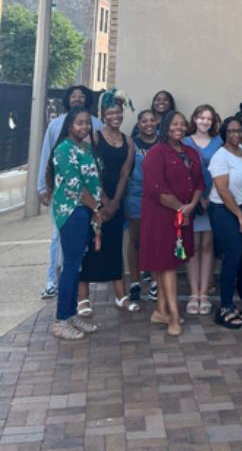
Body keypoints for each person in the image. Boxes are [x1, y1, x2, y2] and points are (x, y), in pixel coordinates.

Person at [140, 110, 204, 336]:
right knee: (165, 264)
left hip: (183, 214)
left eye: (182, 124)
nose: (179, 127)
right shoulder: (156, 153)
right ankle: (174, 316)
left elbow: (199, 183)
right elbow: (155, 187)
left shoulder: (190, 152)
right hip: (161, 215)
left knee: (168, 263)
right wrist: (180, 208)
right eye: (174, 124)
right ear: (166, 127)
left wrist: (190, 206)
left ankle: (160, 310)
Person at [37, 84, 102, 299]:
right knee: (62, 248)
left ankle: (75, 305)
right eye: (73, 96)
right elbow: (48, 158)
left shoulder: (94, 130)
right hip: (69, 206)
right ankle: (53, 284)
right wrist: (42, 187)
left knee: (77, 259)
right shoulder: (61, 139)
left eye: (81, 96)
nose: (77, 99)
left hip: (87, 206)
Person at [46, 109, 104, 340]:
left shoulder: (85, 148)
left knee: (77, 265)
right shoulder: (64, 149)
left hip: (85, 211)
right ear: (70, 124)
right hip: (72, 212)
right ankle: (61, 321)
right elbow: (74, 186)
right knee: (71, 265)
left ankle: (70, 315)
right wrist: (97, 209)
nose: (84, 127)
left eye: (87, 123)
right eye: (80, 123)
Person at [78, 90, 136, 316]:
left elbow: (124, 173)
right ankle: (83, 298)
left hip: (116, 200)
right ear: (102, 114)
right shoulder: (93, 138)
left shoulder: (128, 142)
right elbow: (90, 172)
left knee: (113, 246)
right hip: (93, 200)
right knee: (89, 247)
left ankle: (121, 295)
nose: (115, 116)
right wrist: (103, 203)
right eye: (110, 112)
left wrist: (115, 202)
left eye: (118, 112)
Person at [209, 116, 242, 329]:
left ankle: (230, 302)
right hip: (224, 211)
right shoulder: (220, 156)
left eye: (239, 130)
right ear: (224, 133)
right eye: (231, 131)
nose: (235, 134)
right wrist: (240, 215)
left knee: (238, 259)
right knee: (233, 256)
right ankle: (224, 308)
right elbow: (222, 190)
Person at [184, 104, 222, 316]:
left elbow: (222, 172)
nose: (205, 121)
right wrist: (196, 199)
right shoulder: (185, 141)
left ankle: (204, 293)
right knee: (193, 247)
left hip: (213, 199)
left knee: (207, 246)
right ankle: (193, 293)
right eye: (201, 117)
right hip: (191, 202)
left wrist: (209, 198)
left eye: (209, 118)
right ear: (194, 119)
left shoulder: (219, 142)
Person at [125, 108, 159, 304]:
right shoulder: (132, 143)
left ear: (156, 122)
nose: (148, 124)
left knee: (155, 240)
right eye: (144, 121)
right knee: (136, 240)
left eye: (151, 120)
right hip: (136, 195)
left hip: (158, 196)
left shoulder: (162, 142)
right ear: (138, 124)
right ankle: (135, 282)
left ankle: (155, 282)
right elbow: (126, 170)